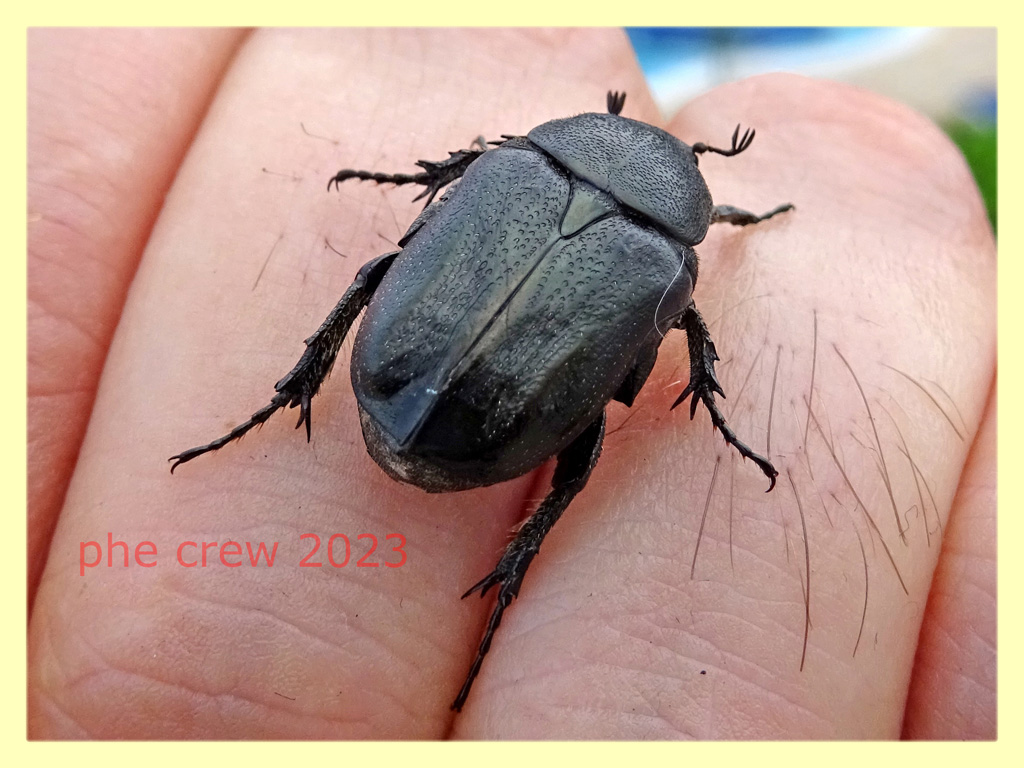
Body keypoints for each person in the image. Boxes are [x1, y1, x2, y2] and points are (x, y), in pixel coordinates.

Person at [28, 28, 996, 739]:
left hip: (431, 391)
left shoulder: (515, 172)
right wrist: (715, 395)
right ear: (697, 209)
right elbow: (689, 326)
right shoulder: (664, 260)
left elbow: (439, 202)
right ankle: (488, 559)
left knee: (380, 279)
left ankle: (305, 413)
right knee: (581, 454)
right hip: (486, 424)